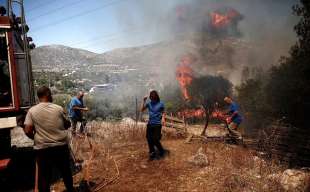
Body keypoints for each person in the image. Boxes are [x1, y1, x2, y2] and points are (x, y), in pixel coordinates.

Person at [23, 86, 74, 192]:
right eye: (50, 94)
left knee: (45, 176)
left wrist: (36, 138)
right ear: (47, 94)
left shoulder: (32, 111)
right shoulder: (58, 108)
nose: (52, 96)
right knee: (66, 172)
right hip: (60, 147)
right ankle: (70, 189)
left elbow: (27, 130)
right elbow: (66, 124)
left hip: (43, 149)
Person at [141, 90, 169, 161]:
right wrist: (144, 101)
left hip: (157, 124)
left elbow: (163, 112)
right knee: (149, 138)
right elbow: (142, 110)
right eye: (151, 98)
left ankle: (161, 151)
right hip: (150, 124)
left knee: (155, 139)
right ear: (150, 98)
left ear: (156, 97)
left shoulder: (161, 103)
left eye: (154, 98)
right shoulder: (149, 104)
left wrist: (163, 118)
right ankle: (152, 153)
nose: (152, 99)